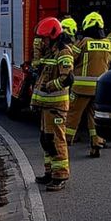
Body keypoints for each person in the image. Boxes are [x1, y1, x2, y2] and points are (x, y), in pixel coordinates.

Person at [31, 17, 74, 191]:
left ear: (54, 36)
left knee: (56, 140)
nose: (43, 42)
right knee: (46, 140)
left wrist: (49, 87)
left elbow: (67, 78)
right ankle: (49, 172)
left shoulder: (64, 52)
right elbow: (40, 73)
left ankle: (60, 175)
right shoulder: (51, 52)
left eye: (45, 38)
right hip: (46, 106)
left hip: (56, 106)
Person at [65, 12, 111, 158]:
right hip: (99, 89)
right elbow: (110, 61)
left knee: (73, 115)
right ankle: (96, 144)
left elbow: (71, 57)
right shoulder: (107, 43)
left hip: (81, 88)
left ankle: (64, 143)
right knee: (94, 118)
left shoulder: (84, 41)